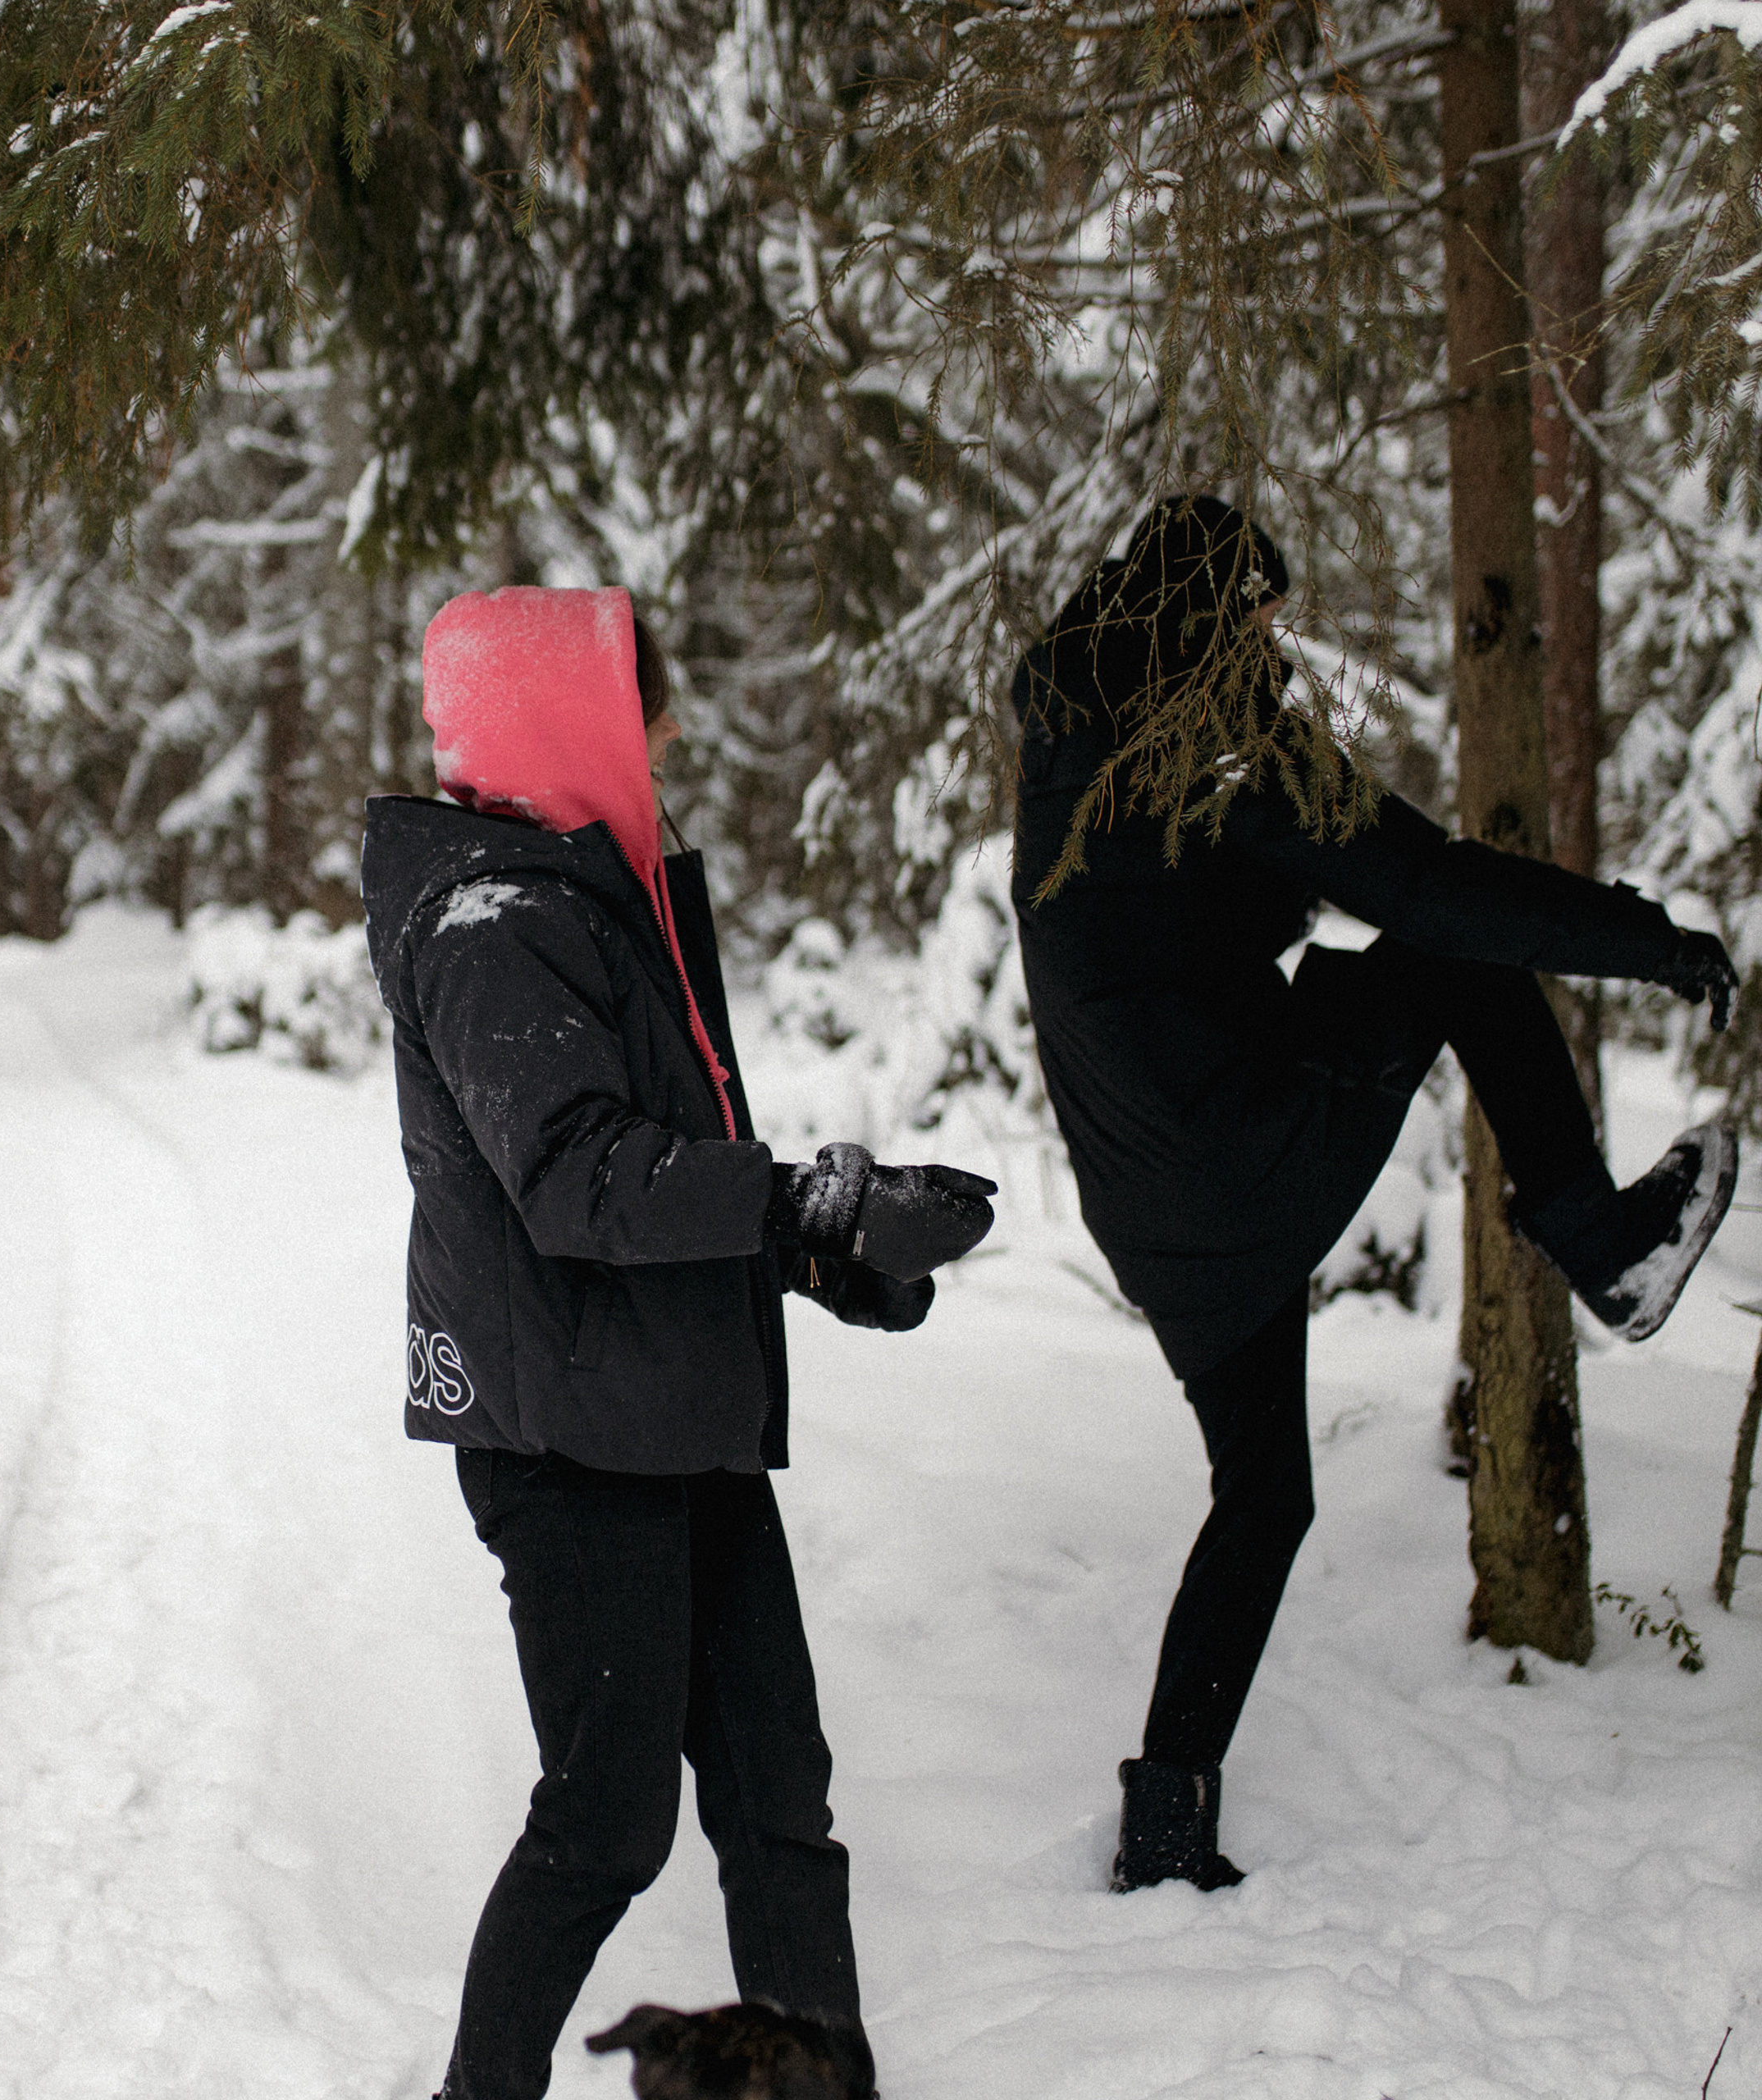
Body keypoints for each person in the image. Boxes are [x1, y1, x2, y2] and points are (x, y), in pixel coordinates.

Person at [1009, 495, 1742, 1896]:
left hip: (1157, 1206)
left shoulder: (1074, 739)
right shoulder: (1216, 743)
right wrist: (1644, 941)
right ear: (1222, 623)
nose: (1279, 651)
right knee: (1451, 955)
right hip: (1236, 1151)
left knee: (1265, 1497)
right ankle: (1601, 1241)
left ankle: (1166, 1834)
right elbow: (1437, 890)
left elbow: (1176, 916)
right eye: (1264, 624)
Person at [361, 585, 997, 2100]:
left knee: (781, 1807)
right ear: (564, 719)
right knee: (606, 1823)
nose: (659, 742)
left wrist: (826, 1250)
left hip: (676, 1414)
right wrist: (809, 1201)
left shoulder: (589, 899)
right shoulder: (490, 919)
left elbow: (656, 1175)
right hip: (568, 1445)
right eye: (635, 710)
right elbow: (580, 1180)